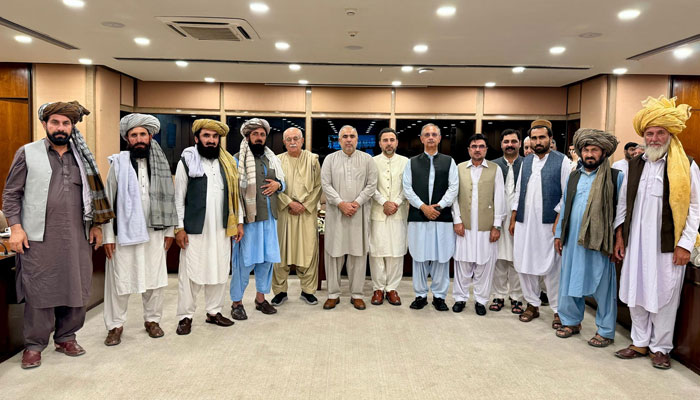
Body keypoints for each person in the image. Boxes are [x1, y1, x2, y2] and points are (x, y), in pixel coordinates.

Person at [3, 101, 113, 369]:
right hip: (39, 237)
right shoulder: (27, 153)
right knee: (39, 290)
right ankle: (34, 344)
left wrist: (97, 226)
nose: (61, 128)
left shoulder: (82, 157)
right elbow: (11, 194)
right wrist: (16, 228)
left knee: (76, 288)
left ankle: (66, 337)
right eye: (55, 122)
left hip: (77, 236)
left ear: (72, 126)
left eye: (66, 123)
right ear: (45, 124)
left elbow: (93, 197)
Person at [613, 96, 700, 369]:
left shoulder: (687, 165)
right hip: (636, 240)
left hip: (667, 243)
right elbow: (623, 204)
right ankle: (639, 342)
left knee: (665, 294)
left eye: (659, 132)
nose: (653, 138)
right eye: (649, 133)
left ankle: (660, 347)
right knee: (636, 288)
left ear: (669, 134)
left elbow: (695, 207)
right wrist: (620, 236)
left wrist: (685, 244)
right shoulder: (634, 164)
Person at [102, 114, 178, 346]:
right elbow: (107, 202)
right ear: (127, 139)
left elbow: (170, 199)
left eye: (142, 134)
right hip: (123, 233)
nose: (138, 139)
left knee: (155, 279)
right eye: (133, 135)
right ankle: (115, 325)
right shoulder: (118, 164)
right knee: (119, 281)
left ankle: (152, 321)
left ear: (150, 136)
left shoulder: (161, 164)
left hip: (155, 232)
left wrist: (169, 232)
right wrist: (107, 236)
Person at [554, 128, 622, 348]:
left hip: (601, 241)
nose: (589, 154)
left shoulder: (615, 177)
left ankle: (605, 330)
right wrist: (558, 235)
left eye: (594, 150)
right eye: (586, 150)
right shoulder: (573, 175)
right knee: (570, 280)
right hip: (572, 239)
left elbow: (622, 213)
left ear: (604, 152)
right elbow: (565, 207)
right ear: (580, 152)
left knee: (603, 285)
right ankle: (571, 321)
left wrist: (618, 241)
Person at [174, 119, 242, 335]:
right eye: (206, 136)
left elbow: (235, 196)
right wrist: (179, 228)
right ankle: (186, 316)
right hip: (195, 228)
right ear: (197, 138)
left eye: (215, 137)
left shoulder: (227, 162)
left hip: (222, 227)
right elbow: (178, 197)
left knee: (220, 270)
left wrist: (239, 222)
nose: (211, 141)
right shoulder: (186, 161)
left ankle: (214, 312)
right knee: (190, 273)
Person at [509, 119, 570, 328]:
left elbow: (566, 195)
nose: (538, 141)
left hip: (548, 225)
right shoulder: (526, 161)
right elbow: (518, 191)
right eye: (534, 138)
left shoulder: (562, 162)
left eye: (542, 137)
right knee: (524, 264)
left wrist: (557, 220)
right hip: (525, 223)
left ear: (551, 139)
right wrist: (514, 216)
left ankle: (557, 310)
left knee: (552, 268)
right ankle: (532, 304)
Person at [230, 118, 285, 319]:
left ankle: (261, 299)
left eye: (262, 135)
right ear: (247, 136)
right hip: (249, 221)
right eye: (255, 134)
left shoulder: (272, 159)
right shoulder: (236, 159)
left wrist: (278, 185)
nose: (259, 138)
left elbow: (282, 182)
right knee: (243, 262)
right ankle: (236, 302)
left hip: (270, 219)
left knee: (267, 261)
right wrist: (238, 223)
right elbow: (234, 194)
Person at [321, 125, 378, 310]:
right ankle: (333, 294)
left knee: (358, 254)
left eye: (352, 136)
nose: (348, 139)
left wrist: (356, 203)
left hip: (358, 214)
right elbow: (325, 184)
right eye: (344, 136)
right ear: (339, 140)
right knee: (334, 254)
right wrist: (341, 203)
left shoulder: (367, 159)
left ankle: (357, 294)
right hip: (336, 213)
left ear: (357, 139)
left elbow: (371, 185)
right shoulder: (330, 159)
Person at [403, 123, 458, 311]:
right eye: (427, 134)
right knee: (418, 256)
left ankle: (439, 296)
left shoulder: (449, 161)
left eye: (434, 134)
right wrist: (423, 207)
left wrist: (439, 206)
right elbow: (407, 189)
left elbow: (453, 187)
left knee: (441, 257)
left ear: (440, 138)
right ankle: (420, 295)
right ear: (421, 138)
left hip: (441, 217)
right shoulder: (411, 162)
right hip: (419, 216)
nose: (431, 137)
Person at [452, 134, 505, 315]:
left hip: (486, 226)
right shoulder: (459, 168)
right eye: (473, 146)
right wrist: (457, 220)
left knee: (484, 265)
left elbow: (500, 197)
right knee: (463, 264)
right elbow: (454, 197)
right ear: (468, 149)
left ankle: (481, 301)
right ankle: (460, 298)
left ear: (486, 149)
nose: (477, 149)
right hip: (464, 225)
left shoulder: (495, 169)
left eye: (481, 146)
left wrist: (497, 225)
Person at [271, 128, 322, 306]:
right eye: (288, 139)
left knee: (307, 252)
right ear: (284, 142)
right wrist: (289, 203)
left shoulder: (313, 160)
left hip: (306, 214)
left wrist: (305, 205)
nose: (292, 142)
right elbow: (272, 187)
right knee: (281, 253)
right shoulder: (276, 161)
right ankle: (279, 291)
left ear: (302, 141)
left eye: (296, 138)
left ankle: (308, 291)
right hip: (284, 213)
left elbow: (318, 187)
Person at [369, 128, 409, 306]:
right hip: (378, 212)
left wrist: (396, 203)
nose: (389, 143)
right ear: (380, 144)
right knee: (377, 251)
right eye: (385, 140)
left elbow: (408, 187)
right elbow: (370, 186)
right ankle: (378, 288)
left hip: (398, 213)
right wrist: (384, 202)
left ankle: (392, 288)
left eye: (392, 140)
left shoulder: (406, 162)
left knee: (396, 252)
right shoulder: (371, 162)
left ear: (397, 142)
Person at [490, 129, 524, 314]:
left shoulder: (527, 165)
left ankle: (517, 297)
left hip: (520, 220)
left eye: (513, 141)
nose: (509, 145)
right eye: (506, 142)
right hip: (497, 219)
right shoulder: (493, 166)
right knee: (498, 259)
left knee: (517, 259)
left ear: (519, 143)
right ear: (501, 144)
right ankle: (499, 295)